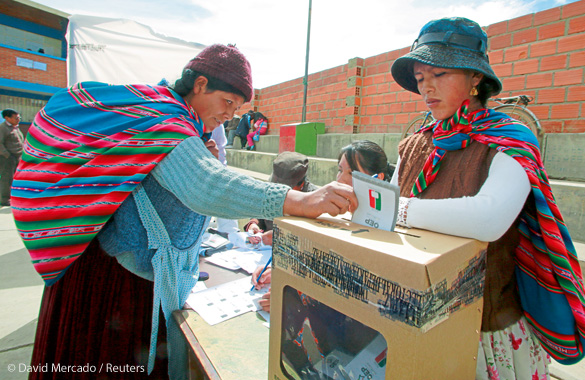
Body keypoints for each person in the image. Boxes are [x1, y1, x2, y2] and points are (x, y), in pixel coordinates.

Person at [12, 43, 357, 380]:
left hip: (112, 268)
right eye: (227, 102)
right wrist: (297, 201)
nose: (229, 115)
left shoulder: (163, 115)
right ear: (200, 84)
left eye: (236, 109)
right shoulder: (165, 119)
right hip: (114, 287)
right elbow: (206, 186)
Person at [389, 17, 585, 379]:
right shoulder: (416, 143)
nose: (427, 88)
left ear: (476, 78)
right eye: (420, 78)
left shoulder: (510, 141)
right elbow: (387, 205)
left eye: (439, 74)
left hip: (485, 330)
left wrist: (394, 210)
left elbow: (489, 219)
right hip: (415, 316)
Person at [251, 142, 392, 311]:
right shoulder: (335, 214)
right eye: (340, 170)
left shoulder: (386, 230)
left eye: (352, 173)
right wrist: (284, 271)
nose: (341, 179)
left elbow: (359, 296)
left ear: (379, 178)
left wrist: (296, 301)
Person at [244, 151, 318, 246]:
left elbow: (314, 238)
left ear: (301, 185)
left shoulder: (314, 201)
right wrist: (254, 224)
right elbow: (260, 212)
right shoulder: (271, 191)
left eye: (285, 189)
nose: (279, 193)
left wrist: (281, 236)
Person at [0, 108, 24, 206]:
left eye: (19, 117)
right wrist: (7, 155)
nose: (19, 119)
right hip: (8, 158)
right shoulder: (3, 128)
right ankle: (4, 199)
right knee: (7, 179)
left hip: (18, 157)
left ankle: (13, 196)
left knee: (17, 178)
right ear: (7, 118)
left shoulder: (15, 127)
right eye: (16, 118)